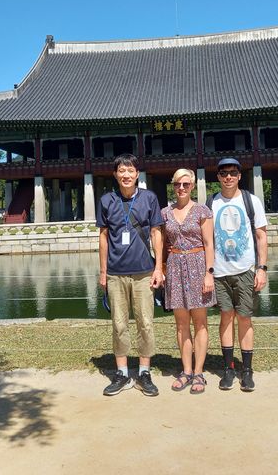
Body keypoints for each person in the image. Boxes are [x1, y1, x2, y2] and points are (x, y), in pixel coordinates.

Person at [98, 153, 165, 396]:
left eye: (131, 171)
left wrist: (159, 267)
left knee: (146, 323)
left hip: (144, 272)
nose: (126, 175)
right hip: (116, 272)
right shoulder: (107, 200)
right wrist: (103, 271)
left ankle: (145, 371)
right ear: (115, 174)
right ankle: (122, 373)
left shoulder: (149, 198)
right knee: (118, 324)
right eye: (121, 171)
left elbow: (157, 233)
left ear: (138, 174)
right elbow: (104, 236)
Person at [208, 157, 267, 392]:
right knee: (226, 318)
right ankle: (228, 368)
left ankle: (247, 370)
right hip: (220, 272)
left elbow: (261, 236)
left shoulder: (251, 201)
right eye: (223, 173)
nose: (228, 177)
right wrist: (208, 271)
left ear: (240, 175)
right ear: (218, 177)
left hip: (245, 270)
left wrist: (261, 269)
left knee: (245, 318)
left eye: (233, 172)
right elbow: (206, 240)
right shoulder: (211, 203)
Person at [161, 168, 215, 394]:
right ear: (172, 186)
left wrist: (209, 273)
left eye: (185, 184)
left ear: (192, 185)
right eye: (177, 184)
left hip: (197, 264)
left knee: (200, 322)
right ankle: (186, 370)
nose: (181, 188)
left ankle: (199, 372)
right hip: (174, 266)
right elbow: (162, 244)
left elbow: (209, 243)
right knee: (181, 324)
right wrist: (161, 268)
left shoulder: (203, 211)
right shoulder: (165, 213)